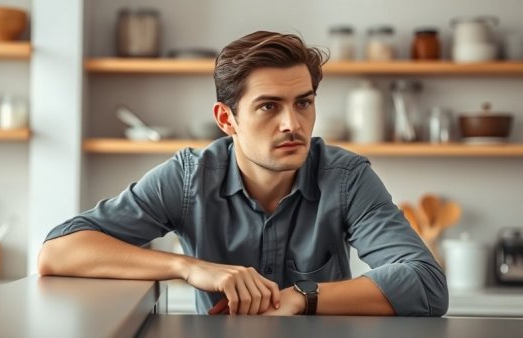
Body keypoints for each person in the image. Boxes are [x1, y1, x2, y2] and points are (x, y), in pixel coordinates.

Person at [38, 31, 448, 316]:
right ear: (226, 119)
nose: (293, 124)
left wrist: (302, 297)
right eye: (269, 106)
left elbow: (426, 283)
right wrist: (189, 267)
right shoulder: (188, 179)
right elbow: (59, 251)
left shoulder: (346, 177)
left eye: (303, 103)